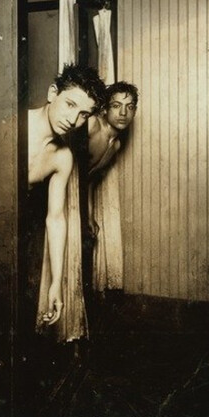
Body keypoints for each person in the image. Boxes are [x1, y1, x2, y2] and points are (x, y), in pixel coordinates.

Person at [28, 63, 106, 328]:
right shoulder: (15, 124)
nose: (73, 121)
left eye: (84, 114)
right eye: (70, 105)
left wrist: (56, 284)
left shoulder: (62, 158)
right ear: (53, 93)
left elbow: (56, 219)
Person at [86, 80, 139, 236]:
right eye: (116, 106)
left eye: (129, 107)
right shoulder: (92, 125)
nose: (123, 113)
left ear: (134, 112)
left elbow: (89, 179)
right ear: (104, 109)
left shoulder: (115, 145)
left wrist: (89, 216)